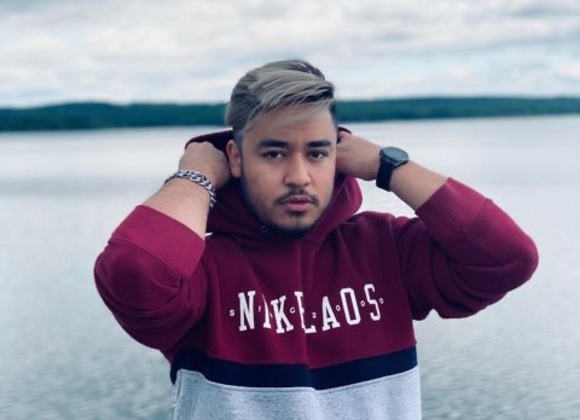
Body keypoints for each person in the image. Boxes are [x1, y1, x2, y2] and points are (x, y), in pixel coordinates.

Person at [94, 59, 539, 419]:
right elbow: (136, 271)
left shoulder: (384, 247)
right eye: (274, 153)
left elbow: (507, 258)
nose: (299, 176)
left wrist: (389, 166)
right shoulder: (201, 269)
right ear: (236, 158)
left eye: (317, 153)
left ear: (340, 155)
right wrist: (196, 176)